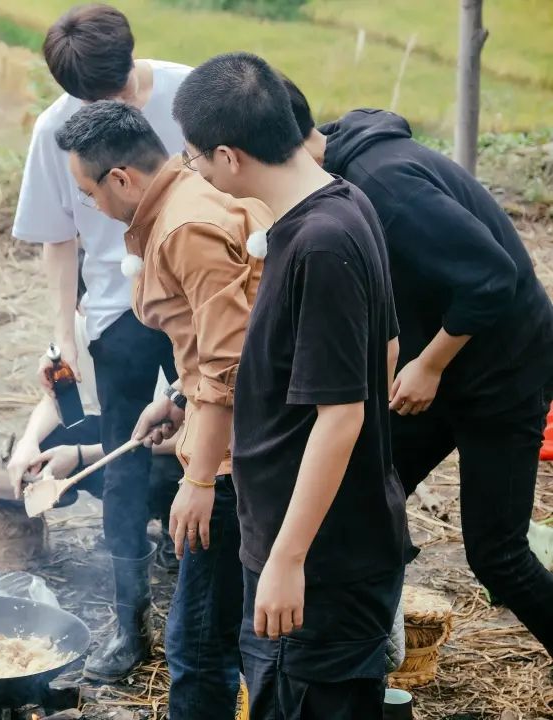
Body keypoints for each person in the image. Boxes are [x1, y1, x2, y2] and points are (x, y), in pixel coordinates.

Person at [172, 52, 413, 719]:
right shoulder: (344, 203)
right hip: (330, 537)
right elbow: (386, 349)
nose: (194, 172)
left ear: (228, 156)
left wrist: (287, 558)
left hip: (319, 564)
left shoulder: (321, 243)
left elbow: (342, 416)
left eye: (192, 159)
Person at [284, 79, 553, 656]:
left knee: (497, 553)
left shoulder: (384, 183)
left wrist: (428, 365)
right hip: (441, 367)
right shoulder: (331, 178)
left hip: (502, 369)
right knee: (365, 493)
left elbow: (492, 277)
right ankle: (378, 641)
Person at [54, 99, 270, 717]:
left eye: (87, 191)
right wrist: (176, 398)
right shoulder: (185, 203)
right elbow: (213, 346)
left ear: (120, 178)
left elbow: (231, 365)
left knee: (198, 643)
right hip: (224, 431)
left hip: (235, 459)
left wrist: (200, 478)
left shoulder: (185, 229)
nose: (90, 206)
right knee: (221, 627)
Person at [13, 3, 191, 681]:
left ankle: (217, 594)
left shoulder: (190, 93)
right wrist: (66, 334)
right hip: (118, 304)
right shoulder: (55, 128)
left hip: (196, 298)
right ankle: (130, 623)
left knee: (219, 434)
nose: (109, 108)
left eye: (116, 91)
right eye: (92, 99)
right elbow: (59, 238)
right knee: (120, 459)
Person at [7, 256, 183, 569]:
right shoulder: (79, 326)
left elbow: (185, 434)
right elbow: (59, 401)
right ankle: (126, 527)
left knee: (157, 472)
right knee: (47, 444)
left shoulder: (162, 330)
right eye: (88, 303)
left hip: (168, 445)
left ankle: (176, 532)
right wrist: (29, 441)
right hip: (121, 433)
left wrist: (79, 454)